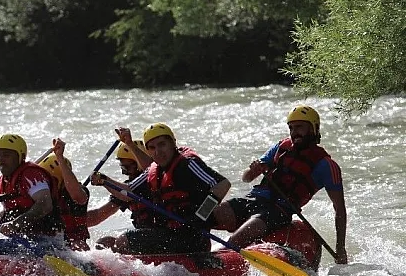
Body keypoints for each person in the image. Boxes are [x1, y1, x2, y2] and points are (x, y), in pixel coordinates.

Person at [212, 105, 348, 264]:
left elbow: (339, 208)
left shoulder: (326, 165)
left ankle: (214, 261)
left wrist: (340, 247)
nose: (294, 132)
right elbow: (246, 178)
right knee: (207, 215)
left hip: (278, 211)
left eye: (299, 127)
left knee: (240, 237)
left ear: (314, 128)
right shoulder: (281, 147)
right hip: (253, 200)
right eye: (291, 128)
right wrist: (254, 170)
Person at [92, 123, 231, 254]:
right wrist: (104, 180)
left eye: (162, 144)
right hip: (169, 234)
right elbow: (128, 192)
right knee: (105, 243)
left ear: (173, 143)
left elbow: (223, 184)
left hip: (192, 237)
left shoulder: (188, 164)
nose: (158, 151)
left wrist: (201, 216)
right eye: (152, 148)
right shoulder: (154, 170)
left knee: (124, 240)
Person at [87, 139, 155, 247]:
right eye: (122, 167)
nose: (124, 172)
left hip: (161, 234)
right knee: (104, 243)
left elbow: (129, 192)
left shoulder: (151, 181)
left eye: (127, 167)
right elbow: (98, 215)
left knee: (122, 241)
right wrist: (73, 220)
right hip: (144, 236)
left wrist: (104, 180)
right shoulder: (125, 188)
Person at [39, 138, 90, 251]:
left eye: (49, 181)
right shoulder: (39, 195)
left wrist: (60, 158)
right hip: (46, 244)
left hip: (72, 247)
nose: (44, 185)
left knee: (80, 245)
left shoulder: (78, 193)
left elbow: (78, 197)